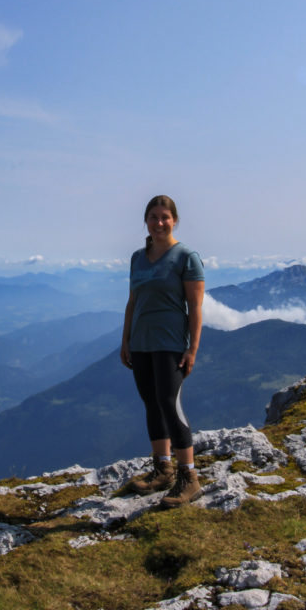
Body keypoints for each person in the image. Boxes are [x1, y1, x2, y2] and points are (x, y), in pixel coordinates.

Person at [120, 194, 205, 508]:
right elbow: (132, 302)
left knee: (170, 405)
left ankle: (189, 478)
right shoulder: (137, 258)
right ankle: (163, 470)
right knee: (151, 404)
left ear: (174, 220)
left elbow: (195, 307)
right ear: (146, 221)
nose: (159, 222)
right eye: (153, 217)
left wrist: (192, 349)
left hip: (171, 343)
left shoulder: (186, 257)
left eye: (164, 217)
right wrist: (126, 340)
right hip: (141, 342)